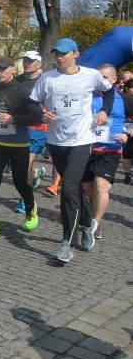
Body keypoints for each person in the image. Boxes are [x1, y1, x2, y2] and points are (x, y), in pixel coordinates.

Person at [29, 38, 114, 263]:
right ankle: (87, 224)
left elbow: (109, 91)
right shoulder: (47, 79)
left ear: (75, 53)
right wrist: (41, 114)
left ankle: (67, 242)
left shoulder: (90, 75)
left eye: (64, 53)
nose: (59, 57)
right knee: (73, 187)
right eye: (57, 53)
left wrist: (105, 111)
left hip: (81, 140)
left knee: (67, 188)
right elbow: (32, 102)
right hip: (56, 142)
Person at [0, 57, 43, 240]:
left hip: (18, 145)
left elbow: (37, 115)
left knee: (20, 182)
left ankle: (31, 207)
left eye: (3, 69)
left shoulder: (23, 90)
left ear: (14, 69)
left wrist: (15, 119)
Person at [81, 64, 133, 240]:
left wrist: (128, 134)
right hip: (87, 147)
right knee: (88, 188)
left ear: (114, 80)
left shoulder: (124, 99)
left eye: (105, 77)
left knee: (101, 186)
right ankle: (94, 206)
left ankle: (94, 224)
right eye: (98, 77)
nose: (101, 81)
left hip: (110, 150)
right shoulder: (87, 96)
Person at [14, 50, 47, 198]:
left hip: (38, 127)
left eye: (31, 61)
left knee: (25, 164)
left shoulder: (45, 81)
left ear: (39, 64)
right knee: (22, 165)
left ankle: (25, 198)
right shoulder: (16, 80)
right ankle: (36, 173)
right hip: (19, 125)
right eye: (25, 60)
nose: (27, 63)